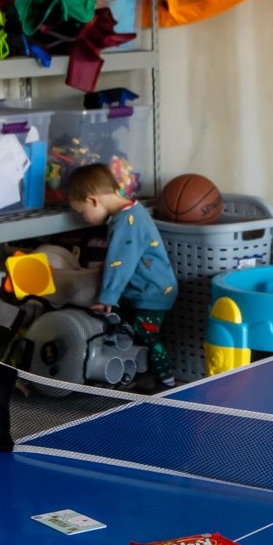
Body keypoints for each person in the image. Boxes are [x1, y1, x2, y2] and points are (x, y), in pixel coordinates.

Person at [65, 162, 179, 387]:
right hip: (147, 290)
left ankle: (167, 382)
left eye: (81, 212)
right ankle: (136, 374)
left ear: (93, 200)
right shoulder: (130, 213)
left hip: (152, 293)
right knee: (131, 331)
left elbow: (121, 264)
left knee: (145, 335)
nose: (83, 217)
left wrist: (106, 298)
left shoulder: (127, 222)